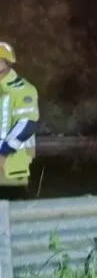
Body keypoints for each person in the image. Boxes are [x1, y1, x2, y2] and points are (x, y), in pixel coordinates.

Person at [0, 42, 40, 189]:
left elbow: (27, 124)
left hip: (12, 167)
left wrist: (3, 154)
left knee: (9, 208)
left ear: (7, 63)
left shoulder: (23, 90)